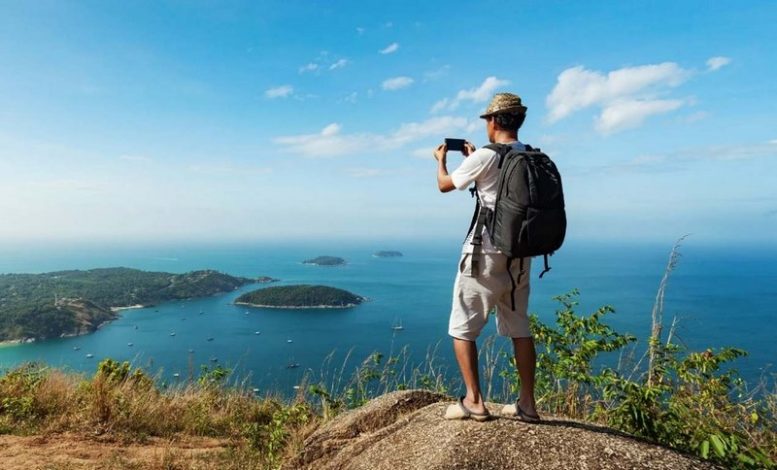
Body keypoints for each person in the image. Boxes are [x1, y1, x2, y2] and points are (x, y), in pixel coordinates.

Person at [434, 92, 540, 423]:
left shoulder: (483, 156)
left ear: (493, 121)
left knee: (462, 326)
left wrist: (441, 160)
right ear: (519, 121)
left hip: (483, 254)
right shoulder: (530, 155)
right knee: (520, 326)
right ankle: (527, 404)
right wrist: (474, 158)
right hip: (520, 255)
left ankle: (475, 401)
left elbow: (444, 186)